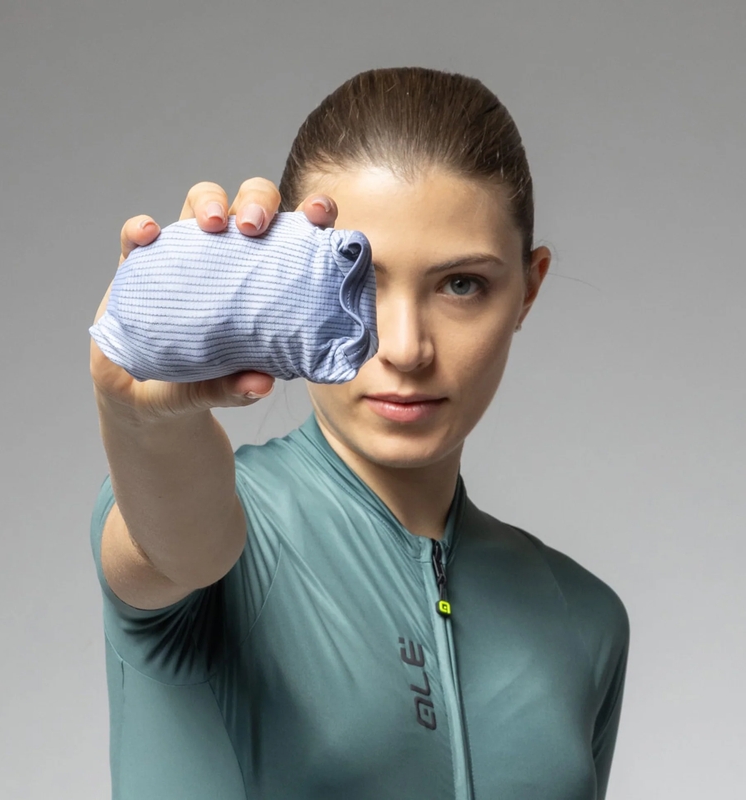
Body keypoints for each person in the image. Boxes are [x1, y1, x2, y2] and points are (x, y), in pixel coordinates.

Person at [88, 66, 629, 800]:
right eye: (358, 278)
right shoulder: (217, 529)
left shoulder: (583, 620)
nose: (405, 348)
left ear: (527, 290)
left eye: (461, 284)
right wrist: (138, 411)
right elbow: (180, 540)